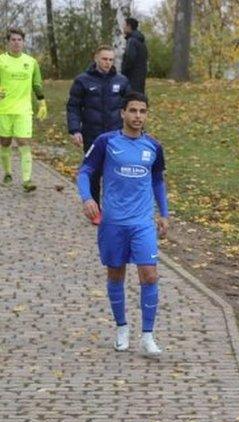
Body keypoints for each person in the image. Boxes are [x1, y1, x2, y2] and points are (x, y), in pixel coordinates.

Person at [75, 92, 169, 357]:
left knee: (149, 274)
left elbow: (158, 181)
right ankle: (121, 328)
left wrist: (164, 213)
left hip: (142, 223)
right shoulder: (107, 142)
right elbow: (84, 172)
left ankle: (148, 336)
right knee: (116, 274)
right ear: (123, 113)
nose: (138, 116)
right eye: (133, 111)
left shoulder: (153, 147)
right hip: (113, 222)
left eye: (142, 111)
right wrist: (87, 199)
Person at [66, 45, 131, 199]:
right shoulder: (82, 80)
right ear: (96, 58)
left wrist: (136, 132)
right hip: (92, 135)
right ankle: (94, 207)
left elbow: (131, 107)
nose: (107, 63)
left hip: (116, 135)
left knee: (116, 172)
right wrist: (75, 130)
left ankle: (114, 208)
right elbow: (73, 106)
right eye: (104, 59)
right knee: (94, 173)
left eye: (110, 60)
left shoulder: (121, 81)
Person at [0, 28, 47, 192]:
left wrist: (42, 103)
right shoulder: (1, 61)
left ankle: (27, 180)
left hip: (23, 110)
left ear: (23, 42)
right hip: (3, 110)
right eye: (13, 39)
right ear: (8, 42)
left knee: (23, 142)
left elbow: (37, 84)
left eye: (19, 40)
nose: (16, 42)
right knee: (4, 142)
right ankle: (7, 172)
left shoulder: (31, 62)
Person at [122, 18, 148, 94]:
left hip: (132, 77)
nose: (123, 28)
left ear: (129, 26)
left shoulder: (132, 41)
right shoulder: (141, 41)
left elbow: (129, 59)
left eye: (124, 25)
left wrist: (123, 72)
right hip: (140, 76)